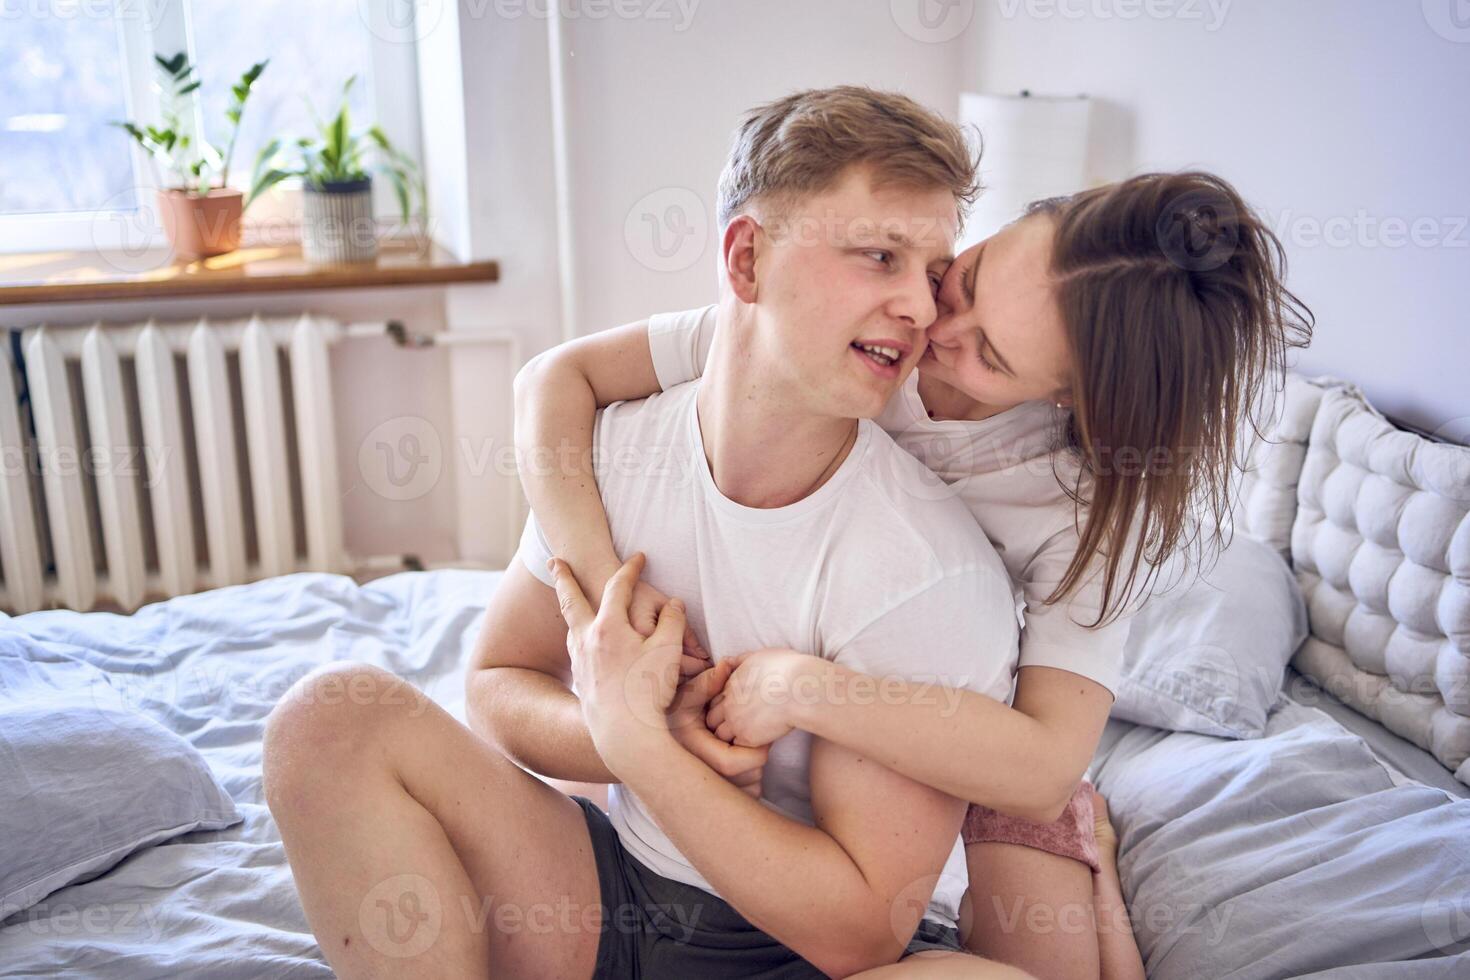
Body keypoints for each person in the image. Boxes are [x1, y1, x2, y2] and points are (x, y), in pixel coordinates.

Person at [263, 85, 1037, 978]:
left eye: (933, 272)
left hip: (795, 952)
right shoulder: (615, 452)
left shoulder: (922, 567)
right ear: (747, 261)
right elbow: (498, 680)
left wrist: (647, 753)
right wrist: (622, 725)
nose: (920, 307)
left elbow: (859, 929)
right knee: (325, 721)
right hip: (613, 896)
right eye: (879, 256)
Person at [515, 134, 1312, 979]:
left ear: (1065, 393)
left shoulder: (1083, 507)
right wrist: (608, 597)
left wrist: (805, 689)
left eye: (991, 355)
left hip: (973, 734)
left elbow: (1040, 768)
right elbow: (552, 383)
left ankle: (1099, 870)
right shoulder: (848, 333)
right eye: (962, 281)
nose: (936, 328)